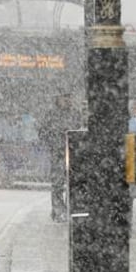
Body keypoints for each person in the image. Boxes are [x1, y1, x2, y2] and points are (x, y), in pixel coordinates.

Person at [38, 93, 81, 222]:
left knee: (72, 184)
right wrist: (53, 140)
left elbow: (80, 131)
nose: (67, 100)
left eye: (68, 98)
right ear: (58, 100)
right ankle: (58, 211)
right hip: (57, 153)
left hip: (73, 154)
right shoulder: (51, 115)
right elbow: (42, 132)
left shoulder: (75, 114)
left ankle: (70, 210)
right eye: (64, 98)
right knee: (57, 184)